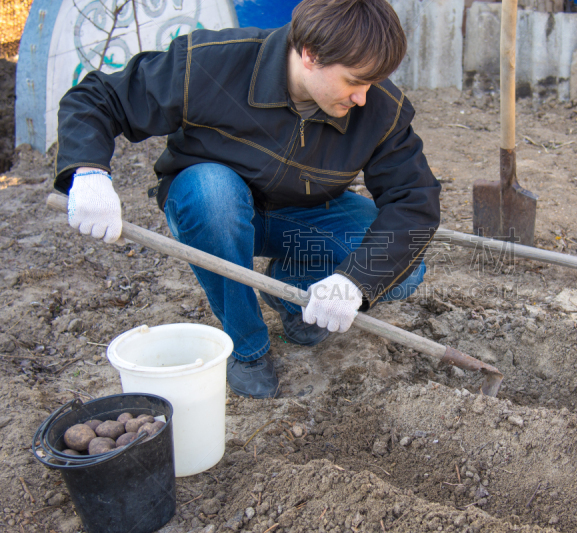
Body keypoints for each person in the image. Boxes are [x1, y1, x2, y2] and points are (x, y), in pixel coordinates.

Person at [53, 0, 441, 398]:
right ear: (311, 55)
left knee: (403, 268)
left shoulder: (379, 109)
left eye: (372, 83)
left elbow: (413, 201)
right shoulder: (212, 62)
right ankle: (248, 347)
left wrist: (353, 281)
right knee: (213, 193)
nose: (362, 97)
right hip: (212, 207)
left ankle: (292, 293)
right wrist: (89, 172)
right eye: (355, 81)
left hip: (302, 214)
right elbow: (99, 98)